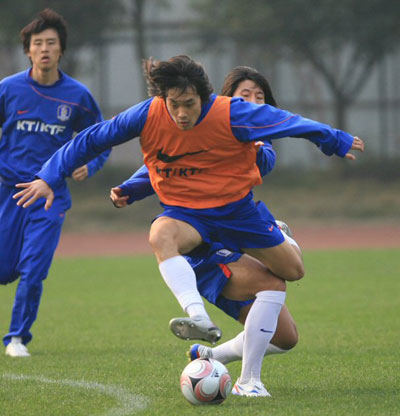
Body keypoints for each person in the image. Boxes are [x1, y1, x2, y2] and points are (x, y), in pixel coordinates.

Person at [13, 56, 364, 395]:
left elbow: (289, 121)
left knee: (291, 283)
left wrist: (334, 139)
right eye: (174, 104)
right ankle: (204, 326)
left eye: (189, 105)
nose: (181, 114)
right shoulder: (148, 113)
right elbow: (92, 139)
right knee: (161, 233)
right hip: (189, 218)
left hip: (238, 214)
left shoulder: (232, 114)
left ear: (205, 98)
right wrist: (50, 176)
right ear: (163, 99)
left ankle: (213, 353)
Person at [110, 66, 301, 397]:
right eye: (245, 96)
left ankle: (210, 355)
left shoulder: (256, 134)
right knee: (275, 281)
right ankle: (249, 382)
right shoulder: (206, 127)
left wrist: (253, 146)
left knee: (286, 337)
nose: (253, 102)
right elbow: (160, 162)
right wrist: (130, 187)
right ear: (225, 101)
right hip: (208, 249)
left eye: (260, 97)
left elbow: (264, 160)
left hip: (239, 228)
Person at [0, 9, 110, 357]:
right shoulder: (8, 89)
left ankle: (17, 338)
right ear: (28, 50)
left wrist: (89, 165)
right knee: (5, 270)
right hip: (8, 193)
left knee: (34, 269)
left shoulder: (76, 95)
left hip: (50, 196)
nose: (44, 49)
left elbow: (100, 138)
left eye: (51, 43)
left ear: (61, 50)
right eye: (38, 43)